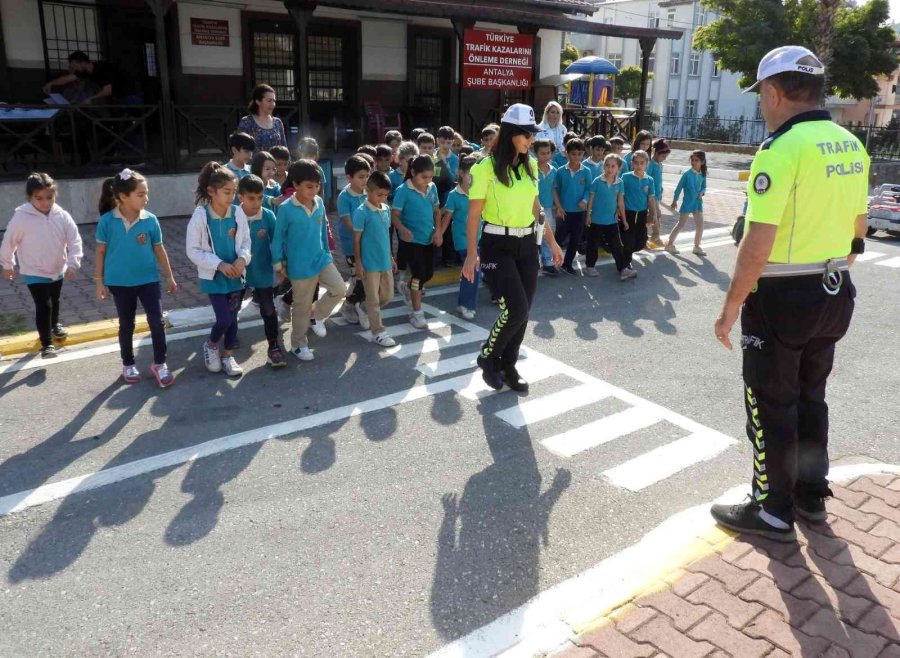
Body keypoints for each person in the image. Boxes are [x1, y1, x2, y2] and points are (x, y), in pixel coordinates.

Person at [711, 46, 869, 542]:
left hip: (782, 295)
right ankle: (809, 494)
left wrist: (730, 306)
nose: (762, 103)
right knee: (810, 396)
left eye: (762, 94)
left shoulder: (781, 150)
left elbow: (757, 243)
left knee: (769, 402)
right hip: (834, 287)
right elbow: (858, 231)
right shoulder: (850, 145)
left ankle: (771, 508)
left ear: (775, 92)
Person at [462, 104, 563, 392]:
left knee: (524, 310)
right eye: (526, 135)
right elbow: (473, 215)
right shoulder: (484, 168)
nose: (531, 140)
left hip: (527, 244)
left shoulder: (530, 165)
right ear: (510, 134)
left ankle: (509, 365)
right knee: (514, 309)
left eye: (532, 135)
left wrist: (552, 242)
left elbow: (536, 208)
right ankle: (488, 357)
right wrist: (472, 255)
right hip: (496, 246)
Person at [95, 169, 177, 386]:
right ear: (123, 196)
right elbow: (100, 252)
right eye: (140, 194)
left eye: (146, 193)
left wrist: (169, 276)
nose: (146, 198)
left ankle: (160, 364)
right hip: (119, 283)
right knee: (127, 324)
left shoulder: (150, 220)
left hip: (148, 279)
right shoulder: (107, 221)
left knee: (157, 322)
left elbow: (159, 249)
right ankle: (128, 364)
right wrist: (99, 281)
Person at [271, 160, 347, 362]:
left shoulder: (319, 203)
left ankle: (317, 315)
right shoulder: (286, 209)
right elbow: (277, 239)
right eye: (309, 186)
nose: (314, 190)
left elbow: (323, 230)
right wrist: (278, 264)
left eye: (317, 186)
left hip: (321, 259)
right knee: (301, 307)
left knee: (340, 289)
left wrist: (327, 253)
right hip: (299, 266)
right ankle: (298, 344)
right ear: (295, 185)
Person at [1, 173, 82, 358]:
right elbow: (9, 242)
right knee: (43, 305)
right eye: (39, 198)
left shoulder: (62, 216)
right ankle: (47, 345)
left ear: (55, 196)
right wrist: (7, 264)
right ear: (30, 197)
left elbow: (74, 240)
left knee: (55, 300)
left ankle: (54, 326)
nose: (45, 202)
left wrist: (72, 262)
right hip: (33, 271)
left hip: (57, 269)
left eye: (49, 197)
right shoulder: (21, 218)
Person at [187, 162, 251, 377]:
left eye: (234, 192)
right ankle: (212, 345)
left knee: (233, 320)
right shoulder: (200, 216)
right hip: (214, 278)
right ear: (211, 191)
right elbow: (193, 250)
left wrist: (242, 259)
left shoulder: (237, 213)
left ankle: (228, 355)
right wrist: (219, 264)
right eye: (227, 192)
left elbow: (246, 242)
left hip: (235, 276)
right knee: (223, 319)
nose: (231, 196)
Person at [236, 175, 285, 368]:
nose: (256, 202)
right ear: (241, 197)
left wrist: (280, 266)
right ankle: (229, 339)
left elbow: (277, 242)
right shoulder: (233, 216)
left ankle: (274, 346)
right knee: (233, 307)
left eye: (260, 197)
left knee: (268, 308)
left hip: (263, 269)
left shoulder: (268, 216)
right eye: (251, 198)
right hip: (238, 271)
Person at [392, 155, 441, 329]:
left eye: (430, 177)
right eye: (423, 177)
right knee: (419, 275)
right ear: (413, 172)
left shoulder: (432, 188)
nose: (427, 181)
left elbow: (436, 211)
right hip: (412, 242)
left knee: (428, 274)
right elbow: (394, 215)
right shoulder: (403, 191)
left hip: (428, 239)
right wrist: (402, 229)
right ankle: (417, 313)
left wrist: (439, 231)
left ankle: (408, 288)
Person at [353, 171, 397, 347]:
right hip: (369, 264)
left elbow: (386, 236)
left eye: (386, 195)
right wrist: (359, 263)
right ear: (367, 191)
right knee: (374, 300)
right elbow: (356, 240)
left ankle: (362, 309)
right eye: (379, 194)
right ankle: (378, 332)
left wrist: (391, 258)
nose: (383, 198)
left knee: (387, 296)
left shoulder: (386, 209)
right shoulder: (361, 212)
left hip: (385, 262)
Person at [442, 156, 480, 320]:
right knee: (473, 271)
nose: (473, 179)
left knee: (473, 271)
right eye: (470, 174)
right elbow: (447, 217)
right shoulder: (454, 195)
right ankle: (466, 304)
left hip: (479, 238)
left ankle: (465, 301)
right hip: (463, 240)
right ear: (461, 173)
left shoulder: (480, 193)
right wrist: (439, 233)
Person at [585, 154, 634, 281]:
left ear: (618, 168)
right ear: (603, 166)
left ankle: (623, 269)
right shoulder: (597, 181)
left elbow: (621, 202)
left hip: (611, 221)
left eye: (613, 166)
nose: (609, 169)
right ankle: (590, 266)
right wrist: (588, 215)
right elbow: (591, 199)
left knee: (617, 245)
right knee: (593, 244)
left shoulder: (620, 183)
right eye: (607, 165)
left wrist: (624, 220)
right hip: (596, 220)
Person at [337, 155, 371, 326]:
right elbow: (347, 221)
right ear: (349, 177)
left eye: (367, 176)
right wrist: (361, 232)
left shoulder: (369, 192)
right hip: (352, 245)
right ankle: (349, 305)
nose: (365, 180)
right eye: (360, 177)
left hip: (368, 244)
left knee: (363, 276)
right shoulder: (344, 197)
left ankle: (354, 303)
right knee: (359, 276)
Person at [553, 138, 592, 275]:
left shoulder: (586, 171)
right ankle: (552, 262)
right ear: (567, 153)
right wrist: (559, 207)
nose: (577, 157)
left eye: (580, 154)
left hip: (579, 212)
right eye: (573, 154)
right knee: (558, 238)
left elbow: (589, 189)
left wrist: (585, 201)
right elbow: (555, 189)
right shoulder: (560, 171)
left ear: (583, 154)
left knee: (575, 240)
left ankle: (567, 264)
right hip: (563, 212)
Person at [42, 51, 139, 105]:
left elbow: (107, 90)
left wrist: (90, 99)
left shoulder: (103, 69)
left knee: (134, 125)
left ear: (82, 62)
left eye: (74, 66)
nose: (74, 69)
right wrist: (51, 83)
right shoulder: (85, 72)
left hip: (130, 95)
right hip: (118, 97)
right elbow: (68, 78)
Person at [619, 150, 659, 275]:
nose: (639, 165)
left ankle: (626, 252)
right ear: (632, 163)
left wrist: (654, 214)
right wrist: (618, 211)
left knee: (641, 240)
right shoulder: (625, 177)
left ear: (647, 163)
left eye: (642, 163)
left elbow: (651, 198)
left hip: (642, 213)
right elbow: (620, 196)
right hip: (627, 213)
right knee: (628, 239)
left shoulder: (649, 180)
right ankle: (626, 263)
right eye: (636, 163)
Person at [667, 150, 708, 256]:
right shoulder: (687, 174)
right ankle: (669, 244)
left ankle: (696, 246)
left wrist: (702, 192)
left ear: (702, 162)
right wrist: (675, 200)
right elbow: (679, 188)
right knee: (681, 224)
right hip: (687, 203)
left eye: (696, 160)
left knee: (700, 225)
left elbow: (704, 187)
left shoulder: (702, 174)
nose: (693, 162)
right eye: (692, 160)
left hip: (697, 203)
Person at [236, 84, 288, 152]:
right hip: (254, 162)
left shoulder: (278, 122)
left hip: (275, 162)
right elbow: (239, 148)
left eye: (274, 101)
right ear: (258, 101)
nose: (272, 104)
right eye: (269, 101)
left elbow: (284, 148)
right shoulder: (247, 122)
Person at [534, 139, 558, 276]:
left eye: (548, 153)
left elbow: (554, 190)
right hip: (533, 208)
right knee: (534, 236)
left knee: (548, 234)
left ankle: (548, 262)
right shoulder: (531, 170)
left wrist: (558, 206)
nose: (546, 156)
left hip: (548, 208)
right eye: (542, 153)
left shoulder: (553, 171)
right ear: (535, 153)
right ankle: (538, 261)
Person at [646, 138, 671, 248]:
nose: (664, 159)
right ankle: (655, 236)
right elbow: (647, 179)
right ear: (656, 153)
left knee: (653, 215)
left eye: (666, 157)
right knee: (657, 215)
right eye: (663, 157)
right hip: (651, 196)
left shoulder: (659, 164)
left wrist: (661, 190)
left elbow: (658, 179)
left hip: (657, 195)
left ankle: (647, 235)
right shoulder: (650, 165)